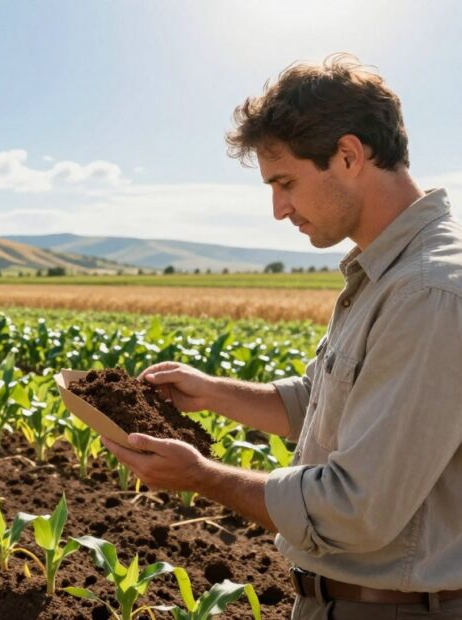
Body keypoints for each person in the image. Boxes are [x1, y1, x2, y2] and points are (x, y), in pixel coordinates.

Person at [103, 54, 462, 619]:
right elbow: (321, 404)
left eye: (285, 182)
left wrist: (201, 476)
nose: (278, 209)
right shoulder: (385, 272)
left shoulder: (427, 292)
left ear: (348, 155)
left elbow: (356, 510)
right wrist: (212, 392)